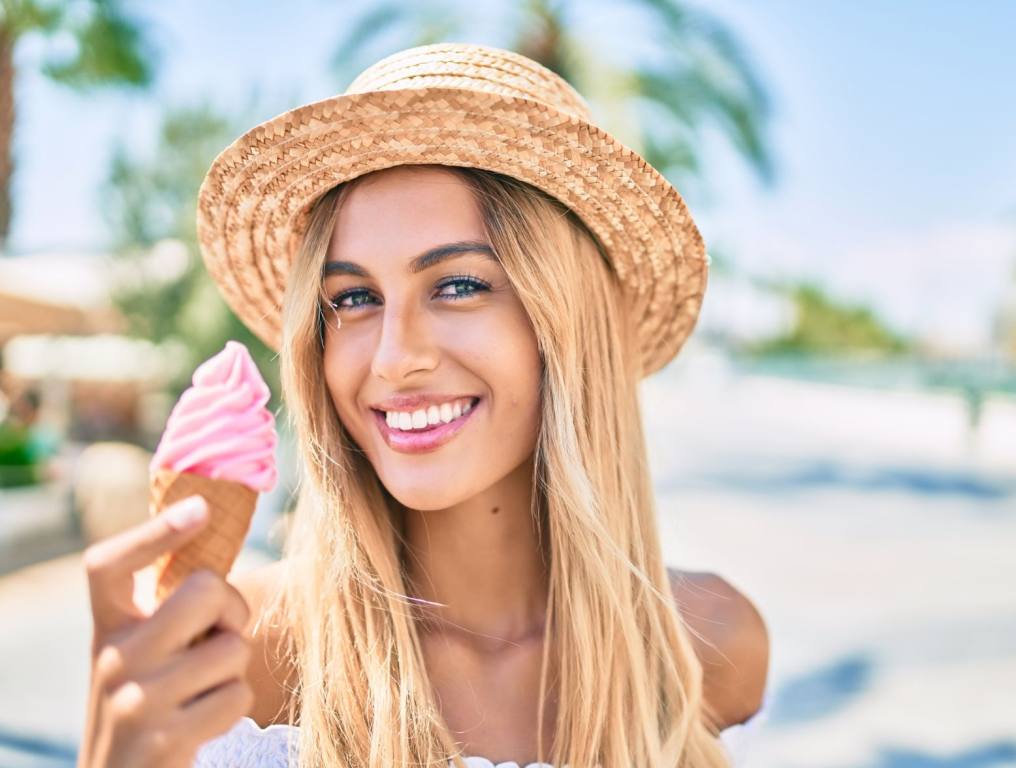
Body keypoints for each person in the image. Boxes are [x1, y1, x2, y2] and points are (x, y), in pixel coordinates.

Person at [78, 43, 769, 768]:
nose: (392, 357)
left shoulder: (714, 647)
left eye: (458, 285)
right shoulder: (234, 657)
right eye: (352, 298)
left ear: (568, 322)